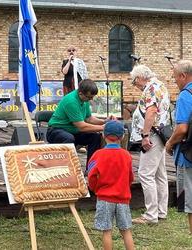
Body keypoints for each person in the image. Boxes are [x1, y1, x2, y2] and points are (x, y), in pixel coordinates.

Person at [130, 65, 170, 224]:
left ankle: (151, 215)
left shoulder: (151, 88)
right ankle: (161, 211)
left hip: (152, 135)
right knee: (160, 175)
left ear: (140, 77)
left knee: (145, 174)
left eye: (134, 82)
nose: (135, 85)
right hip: (160, 134)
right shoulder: (160, 85)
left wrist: (145, 135)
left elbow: (151, 112)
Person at [88, 120, 134, 250]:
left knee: (107, 231)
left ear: (103, 135)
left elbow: (91, 176)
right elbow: (130, 177)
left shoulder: (97, 155)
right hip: (123, 198)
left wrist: (95, 188)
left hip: (104, 198)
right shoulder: (127, 155)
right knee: (126, 231)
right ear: (123, 136)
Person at [47, 79, 113, 168]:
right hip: (55, 131)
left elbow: (89, 118)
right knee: (69, 138)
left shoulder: (84, 99)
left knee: (95, 137)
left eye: (92, 97)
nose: (91, 99)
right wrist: (104, 127)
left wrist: (105, 121)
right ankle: (66, 168)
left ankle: (91, 168)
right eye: (89, 97)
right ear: (80, 93)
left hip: (72, 131)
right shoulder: (71, 101)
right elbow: (82, 127)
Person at [166, 60, 192, 234]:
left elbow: (182, 128)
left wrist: (169, 142)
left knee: (190, 203)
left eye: (175, 78)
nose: (174, 81)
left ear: (183, 76)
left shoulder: (185, 95)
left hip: (187, 155)